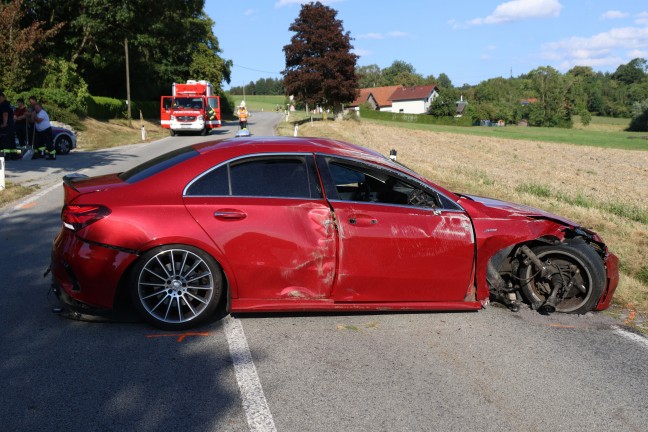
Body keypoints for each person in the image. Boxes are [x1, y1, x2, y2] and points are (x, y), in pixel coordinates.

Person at [0, 92, 18, 160]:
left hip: (6, 124)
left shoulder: (4, 104)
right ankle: (13, 155)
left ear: (1, 97)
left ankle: (6, 155)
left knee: (5, 139)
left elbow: (5, 114)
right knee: (11, 139)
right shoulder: (7, 103)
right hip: (10, 124)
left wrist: (4, 124)